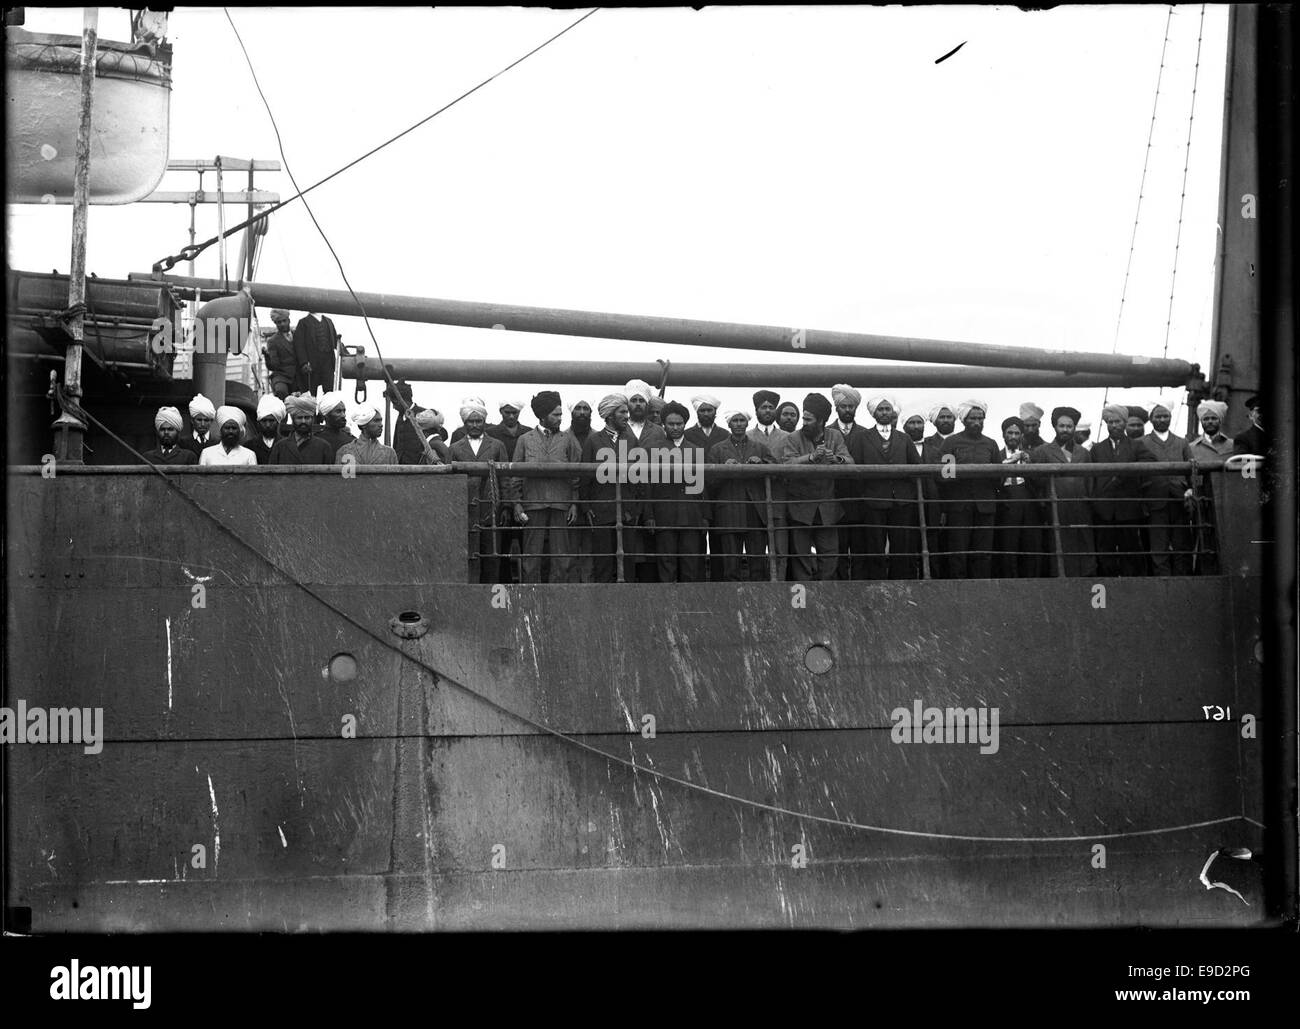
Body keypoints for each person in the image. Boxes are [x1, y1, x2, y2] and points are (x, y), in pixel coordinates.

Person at [509, 391, 583, 583]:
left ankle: (559, 598)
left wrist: (574, 503)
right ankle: (531, 600)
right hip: (533, 503)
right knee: (531, 557)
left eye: (560, 414)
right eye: (555, 415)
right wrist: (516, 503)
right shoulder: (525, 440)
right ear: (542, 416)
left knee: (562, 558)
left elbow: (576, 474)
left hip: (561, 504)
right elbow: (515, 474)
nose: (560, 418)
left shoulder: (568, 440)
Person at [776, 393, 851, 580]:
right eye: (804, 418)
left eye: (809, 419)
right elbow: (786, 465)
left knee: (830, 557)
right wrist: (810, 458)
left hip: (827, 509)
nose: (804, 422)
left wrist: (836, 459)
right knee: (801, 560)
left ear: (821, 420)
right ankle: (804, 603)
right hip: (800, 509)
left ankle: (824, 598)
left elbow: (850, 462)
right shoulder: (793, 438)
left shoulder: (835, 436)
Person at [854, 395, 920, 579]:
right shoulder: (863, 438)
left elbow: (917, 465)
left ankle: (900, 583)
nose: (884, 413)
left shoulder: (904, 438)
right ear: (874, 413)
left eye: (887, 409)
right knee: (875, 545)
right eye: (881, 409)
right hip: (874, 500)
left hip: (901, 500)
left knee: (902, 546)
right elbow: (856, 468)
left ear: (893, 412)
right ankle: (877, 583)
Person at [707, 410, 775, 581]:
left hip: (755, 511)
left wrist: (762, 464)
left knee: (758, 565)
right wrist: (723, 468)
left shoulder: (760, 448)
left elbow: (775, 471)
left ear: (747, 423)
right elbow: (709, 483)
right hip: (729, 512)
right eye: (735, 420)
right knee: (731, 567)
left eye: (741, 420)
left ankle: (758, 602)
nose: (738, 424)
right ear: (728, 424)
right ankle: (732, 603)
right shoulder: (717, 450)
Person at [1029, 406, 1096, 576]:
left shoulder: (1084, 453)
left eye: (1069, 426)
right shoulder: (1041, 452)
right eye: (1062, 426)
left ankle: (1085, 583)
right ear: (1055, 427)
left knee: (1084, 546)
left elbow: (1090, 482)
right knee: (1059, 547)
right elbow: (1035, 484)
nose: (1065, 430)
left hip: (1081, 509)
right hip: (1056, 510)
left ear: (1074, 428)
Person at [449, 398, 510, 583]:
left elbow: (505, 478)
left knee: (492, 552)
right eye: (471, 421)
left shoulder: (497, 446)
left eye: (478, 421)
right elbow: (449, 483)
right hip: (463, 510)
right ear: (464, 423)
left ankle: (492, 595)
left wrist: (506, 506)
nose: (475, 425)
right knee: (467, 553)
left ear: (484, 422)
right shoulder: (454, 448)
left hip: (490, 510)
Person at [579, 394, 638, 582]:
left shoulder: (631, 441)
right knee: (603, 563)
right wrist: (586, 507)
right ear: (610, 415)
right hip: (601, 511)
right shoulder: (593, 441)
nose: (627, 416)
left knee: (628, 563)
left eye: (626, 412)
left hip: (626, 511)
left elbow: (640, 478)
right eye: (623, 412)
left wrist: (636, 508)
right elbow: (585, 477)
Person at [938, 399, 1000, 578]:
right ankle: (959, 590)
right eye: (973, 419)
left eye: (980, 418)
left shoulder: (991, 444)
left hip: (985, 506)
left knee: (983, 552)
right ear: (964, 420)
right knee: (958, 551)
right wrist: (965, 473)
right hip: (959, 506)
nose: (977, 422)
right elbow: (944, 475)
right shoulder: (951, 443)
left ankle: (981, 592)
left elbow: (999, 477)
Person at [1090, 402, 1154, 576]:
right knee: (1105, 552)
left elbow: (1150, 463)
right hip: (1104, 510)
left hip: (1129, 509)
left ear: (1124, 423)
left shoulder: (1136, 446)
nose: (1114, 425)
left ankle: (1132, 590)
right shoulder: (1097, 449)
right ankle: (1107, 589)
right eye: (1110, 422)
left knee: (1131, 552)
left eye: (1117, 421)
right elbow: (1091, 479)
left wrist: (1126, 473)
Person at [651, 401, 708, 582]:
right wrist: (648, 515)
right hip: (664, 515)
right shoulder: (653, 450)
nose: (675, 428)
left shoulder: (696, 450)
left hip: (691, 516)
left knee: (690, 565)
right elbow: (647, 487)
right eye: (671, 424)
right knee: (666, 565)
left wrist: (705, 517)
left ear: (685, 424)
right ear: (664, 425)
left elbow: (703, 487)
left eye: (679, 424)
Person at [1141, 400, 1194, 575]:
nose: (1162, 419)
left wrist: (1191, 490)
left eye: (1166, 416)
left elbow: (1192, 471)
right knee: (1158, 546)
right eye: (1158, 416)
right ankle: (1162, 584)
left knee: (1181, 545)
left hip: (1180, 501)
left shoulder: (1182, 443)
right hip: (1155, 502)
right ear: (1151, 418)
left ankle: (1183, 584)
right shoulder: (1142, 443)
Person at [829, 384, 872, 579]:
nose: (848, 410)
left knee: (860, 551)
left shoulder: (866, 434)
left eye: (851, 406)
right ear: (836, 407)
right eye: (844, 406)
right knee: (836, 552)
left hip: (859, 501)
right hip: (833, 500)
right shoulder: (825, 432)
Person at [747, 390, 790, 578]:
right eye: (763, 407)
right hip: (754, 500)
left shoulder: (788, 436)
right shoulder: (747, 437)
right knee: (756, 551)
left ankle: (779, 588)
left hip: (779, 498)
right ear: (756, 411)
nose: (767, 411)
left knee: (780, 550)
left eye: (771, 407)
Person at [685, 392, 729, 578]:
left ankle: (719, 580)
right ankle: (699, 580)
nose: (705, 413)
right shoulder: (687, 435)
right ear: (697, 412)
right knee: (697, 540)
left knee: (720, 538)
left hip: (720, 493)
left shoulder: (725, 435)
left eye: (709, 410)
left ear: (715, 412)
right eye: (702, 410)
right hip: (695, 492)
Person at [994, 416, 1034, 578]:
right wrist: (1010, 461)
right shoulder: (997, 455)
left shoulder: (1030, 455)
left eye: (1017, 433)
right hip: (1006, 504)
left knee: (1029, 545)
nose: (1013, 437)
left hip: (1028, 505)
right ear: (1003, 434)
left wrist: (1030, 467)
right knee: (1007, 545)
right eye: (1009, 433)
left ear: (1021, 435)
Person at [922, 402, 957, 577]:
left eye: (948, 417)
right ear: (935, 421)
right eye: (941, 417)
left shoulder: (959, 442)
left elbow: (949, 477)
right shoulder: (927, 443)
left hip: (957, 502)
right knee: (933, 545)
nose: (945, 420)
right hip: (932, 503)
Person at [270, 394, 334, 464]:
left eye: (307, 418)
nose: (303, 421)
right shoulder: (280, 447)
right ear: (293, 419)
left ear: (312, 419)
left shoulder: (324, 447)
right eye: (299, 418)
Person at [264, 309, 307, 399]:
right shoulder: (272, 341)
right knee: (281, 391)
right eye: (279, 322)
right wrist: (267, 356)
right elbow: (274, 366)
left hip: (300, 374)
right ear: (275, 324)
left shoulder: (298, 335)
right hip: (282, 376)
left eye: (284, 321)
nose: (282, 324)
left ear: (289, 320)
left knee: (307, 397)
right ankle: (282, 412)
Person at [293, 312, 340, 394]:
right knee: (311, 393)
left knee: (329, 391)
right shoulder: (303, 323)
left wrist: (346, 353)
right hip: (312, 364)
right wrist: (304, 363)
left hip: (328, 363)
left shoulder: (329, 321)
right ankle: (311, 406)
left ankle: (328, 406)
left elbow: (335, 340)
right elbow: (299, 345)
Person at [316, 391, 354, 460]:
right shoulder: (315, 442)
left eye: (344, 411)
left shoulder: (351, 440)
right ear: (326, 415)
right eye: (338, 411)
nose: (343, 415)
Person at [248, 395, 286, 464]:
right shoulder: (249, 446)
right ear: (258, 422)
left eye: (271, 421)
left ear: (277, 422)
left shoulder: (287, 445)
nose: (268, 425)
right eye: (264, 421)